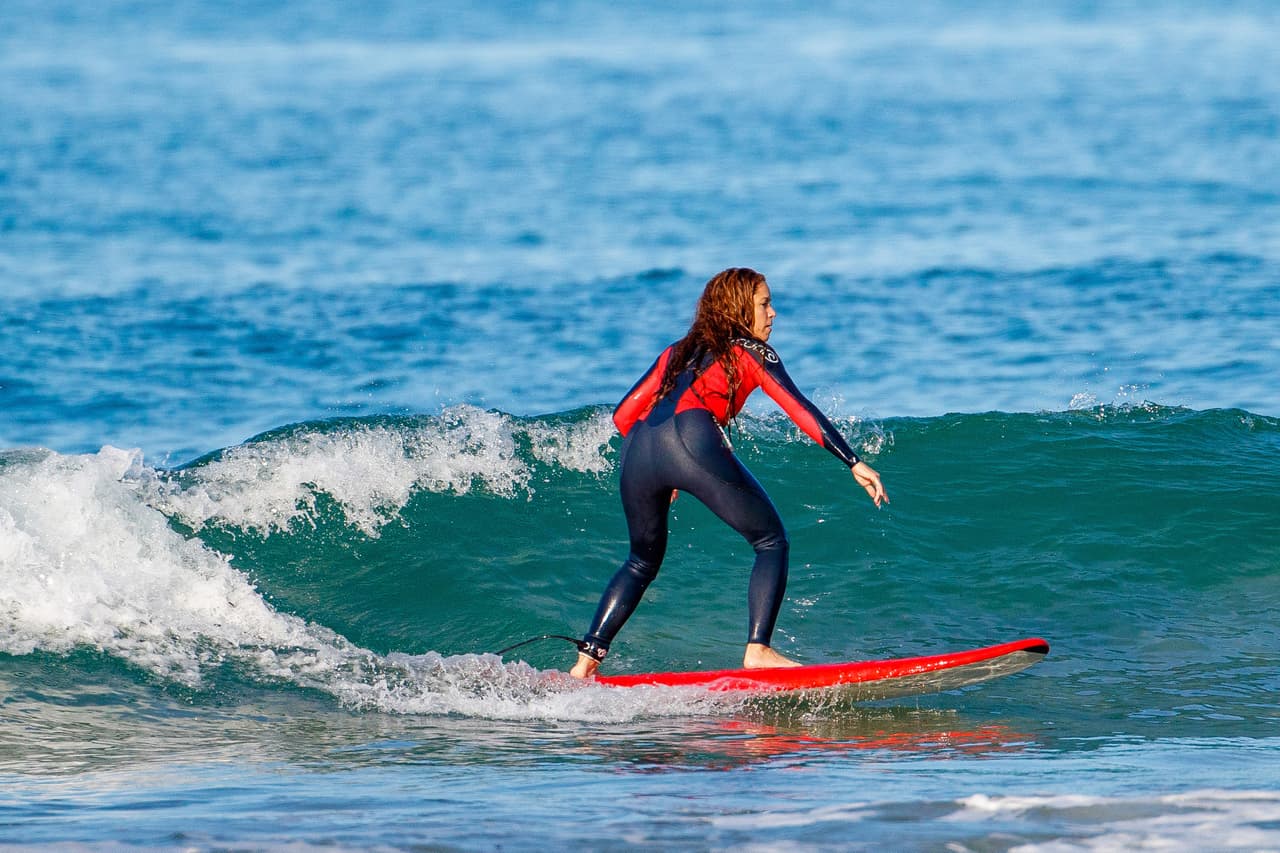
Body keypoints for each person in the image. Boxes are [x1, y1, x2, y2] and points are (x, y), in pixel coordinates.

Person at [570, 267, 888, 679]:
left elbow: (623, 415)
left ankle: (583, 665)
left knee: (640, 562)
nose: (773, 313)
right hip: (691, 436)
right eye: (764, 303)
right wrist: (853, 461)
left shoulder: (677, 351)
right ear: (740, 308)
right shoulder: (752, 352)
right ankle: (758, 650)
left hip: (639, 450)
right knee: (771, 540)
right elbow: (799, 408)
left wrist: (664, 465)